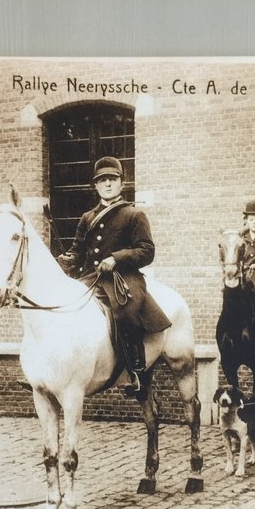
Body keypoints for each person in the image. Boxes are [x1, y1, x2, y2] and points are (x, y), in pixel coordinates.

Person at [58, 156, 171, 395]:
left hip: (124, 279)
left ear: (121, 183)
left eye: (112, 179)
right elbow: (77, 252)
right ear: (96, 186)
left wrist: (116, 258)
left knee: (125, 311)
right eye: (102, 180)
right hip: (92, 278)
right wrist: (67, 260)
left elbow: (147, 251)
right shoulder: (87, 217)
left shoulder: (133, 215)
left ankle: (135, 372)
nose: (107, 184)